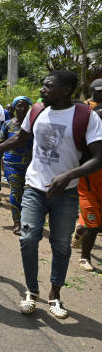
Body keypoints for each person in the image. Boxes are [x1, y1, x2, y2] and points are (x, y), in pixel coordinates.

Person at [0, 70, 102, 319]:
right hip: (34, 186)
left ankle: (55, 295)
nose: (42, 90)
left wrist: (68, 176)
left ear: (66, 89)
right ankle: (31, 291)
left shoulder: (86, 117)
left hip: (66, 193)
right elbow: (21, 138)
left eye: (48, 86)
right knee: (28, 238)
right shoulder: (37, 111)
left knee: (60, 245)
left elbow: (99, 158)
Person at [72, 104, 102, 272]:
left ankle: (79, 230)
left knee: (94, 226)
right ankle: (85, 257)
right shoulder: (86, 146)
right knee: (93, 227)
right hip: (88, 190)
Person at [0, 96, 33, 235]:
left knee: (28, 194)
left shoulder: (33, 124)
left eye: (25, 106)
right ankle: (17, 222)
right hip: (11, 163)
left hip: (30, 165)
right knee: (16, 191)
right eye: (19, 105)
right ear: (14, 107)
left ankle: (27, 220)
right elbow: (0, 143)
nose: (22, 109)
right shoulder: (7, 124)